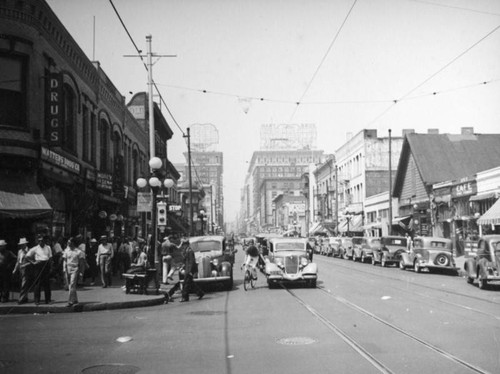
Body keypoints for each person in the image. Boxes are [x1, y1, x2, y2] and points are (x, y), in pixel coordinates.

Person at [164, 238, 204, 303]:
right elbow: (185, 261)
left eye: (184, 245)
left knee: (186, 284)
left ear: (186, 244)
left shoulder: (189, 251)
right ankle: (200, 293)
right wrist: (183, 267)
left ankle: (185, 297)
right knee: (190, 283)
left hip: (189, 270)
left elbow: (191, 262)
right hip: (187, 269)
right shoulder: (186, 251)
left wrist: (190, 271)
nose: (183, 246)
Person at [26, 235, 53, 305]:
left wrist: (51, 267)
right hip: (38, 265)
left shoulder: (48, 247)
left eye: (42, 240)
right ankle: (37, 300)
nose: (41, 242)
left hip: (46, 265)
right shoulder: (35, 248)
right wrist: (33, 262)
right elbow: (27, 256)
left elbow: (50, 258)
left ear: (44, 241)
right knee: (38, 283)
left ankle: (48, 300)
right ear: (38, 241)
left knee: (47, 283)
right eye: (39, 241)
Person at [62, 237, 86, 307]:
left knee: (72, 284)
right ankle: (75, 300)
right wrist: (64, 269)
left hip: (75, 268)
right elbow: (65, 260)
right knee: (70, 285)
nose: (68, 244)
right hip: (68, 268)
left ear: (73, 243)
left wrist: (81, 272)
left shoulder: (78, 252)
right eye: (68, 242)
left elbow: (81, 263)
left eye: (70, 242)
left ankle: (70, 301)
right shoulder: (66, 251)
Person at [12, 237, 32, 304]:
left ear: (26, 244)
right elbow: (18, 261)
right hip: (20, 269)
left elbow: (32, 262)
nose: (22, 246)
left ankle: (21, 299)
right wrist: (15, 269)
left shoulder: (29, 251)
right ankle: (25, 297)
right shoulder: (19, 251)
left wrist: (25, 265)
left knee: (24, 284)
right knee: (22, 284)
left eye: (23, 244)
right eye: (21, 244)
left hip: (26, 269)